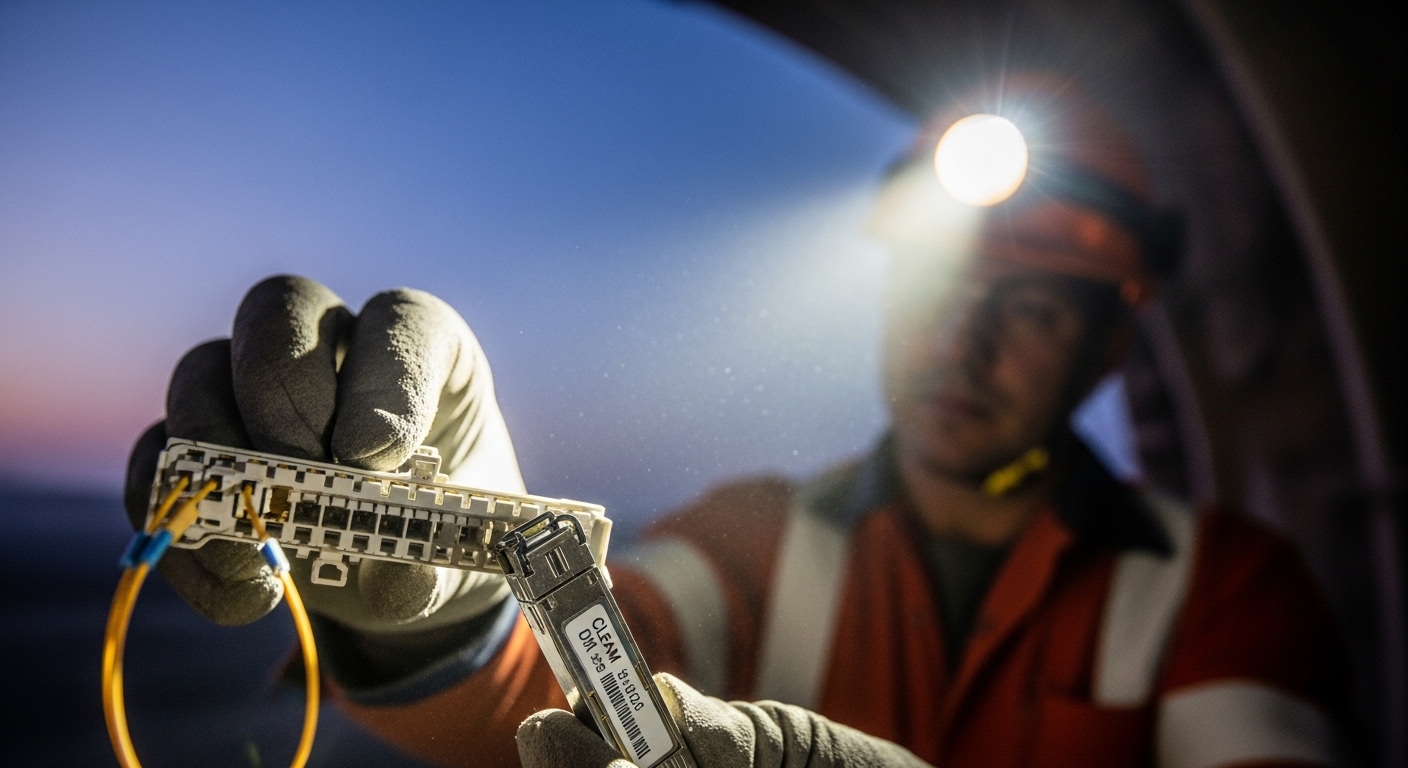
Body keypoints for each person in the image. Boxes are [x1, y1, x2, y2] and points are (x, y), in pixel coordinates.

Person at [124, 75, 1349, 767]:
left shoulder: (1226, 591)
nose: (957, 343)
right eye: (934, 289)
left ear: (1106, 344)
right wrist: (440, 608)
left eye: (1025, 309)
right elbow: (541, 716)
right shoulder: (750, 536)